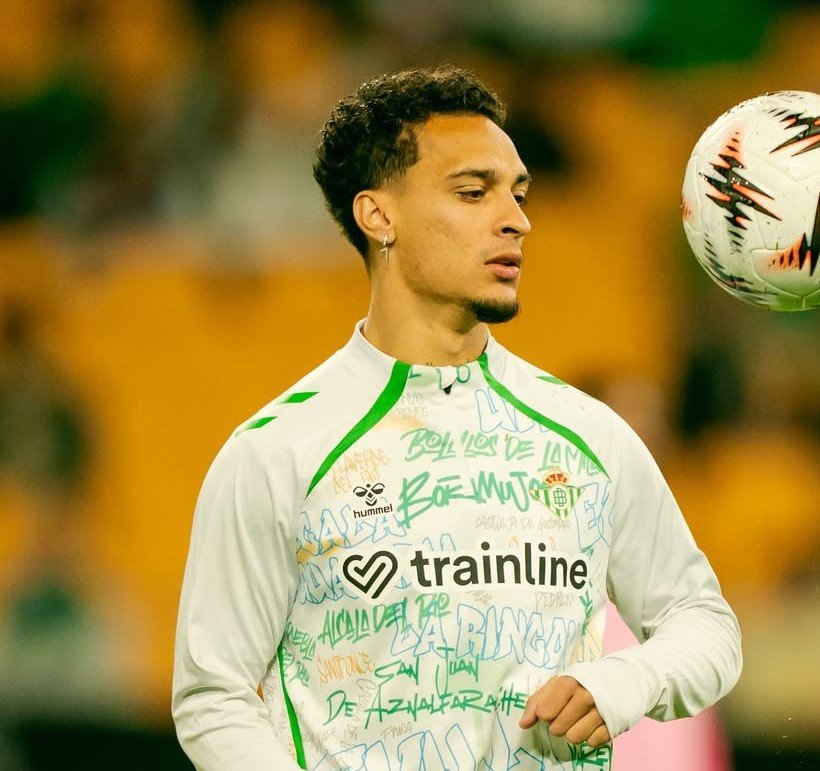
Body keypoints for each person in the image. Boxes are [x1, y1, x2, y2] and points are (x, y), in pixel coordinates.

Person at [172, 67, 742, 770]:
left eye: (518, 193)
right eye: (474, 192)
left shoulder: (590, 437)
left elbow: (706, 626)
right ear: (377, 215)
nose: (516, 218)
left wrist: (626, 679)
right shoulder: (277, 451)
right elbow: (213, 695)